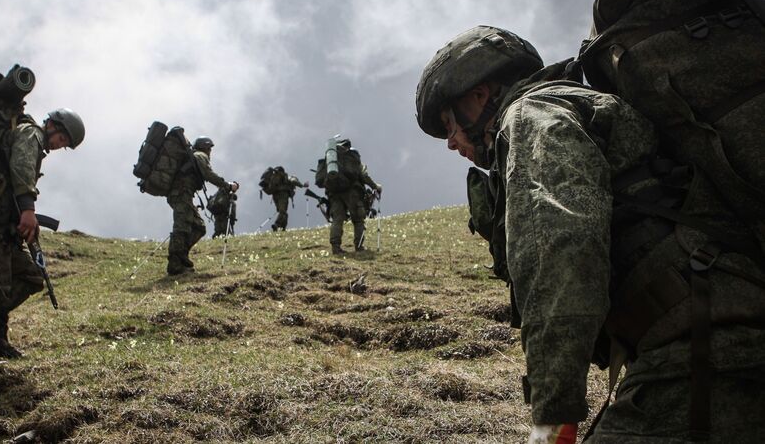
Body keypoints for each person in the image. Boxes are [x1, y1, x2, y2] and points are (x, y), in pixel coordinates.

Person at [415, 26, 765, 443]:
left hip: (709, 347)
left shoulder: (531, 117)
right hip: (713, 340)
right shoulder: (576, 105)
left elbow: (560, 251)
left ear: (479, 94)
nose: (452, 142)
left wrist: (553, 414)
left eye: (449, 123)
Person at [0, 107, 85, 370]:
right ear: (53, 125)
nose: (58, 145)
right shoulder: (31, 133)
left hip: (2, 221)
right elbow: (20, 167)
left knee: (30, 276)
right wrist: (28, 210)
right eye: (61, 138)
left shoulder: (32, 139)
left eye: (64, 143)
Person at [166, 136, 238, 275]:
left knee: (199, 227)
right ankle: (175, 265)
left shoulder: (193, 156)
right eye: (209, 148)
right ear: (204, 147)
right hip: (181, 194)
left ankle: (181, 257)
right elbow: (208, 174)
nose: (210, 152)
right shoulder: (200, 155)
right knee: (181, 227)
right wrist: (228, 185)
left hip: (182, 195)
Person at [324, 140, 381, 254]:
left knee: (337, 220)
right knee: (358, 220)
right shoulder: (352, 158)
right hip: (352, 192)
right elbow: (364, 176)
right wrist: (376, 186)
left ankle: (335, 247)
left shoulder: (332, 161)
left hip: (334, 193)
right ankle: (359, 246)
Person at [266, 166, 307, 231]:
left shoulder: (274, 177)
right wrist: (302, 185)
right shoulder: (288, 177)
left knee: (283, 212)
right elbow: (294, 181)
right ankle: (277, 225)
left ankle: (282, 227)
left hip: (275, 195)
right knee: (283, 211)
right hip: (283, 195)